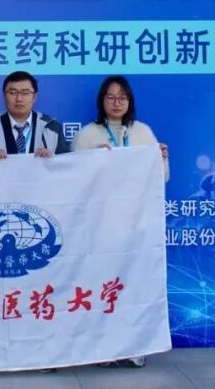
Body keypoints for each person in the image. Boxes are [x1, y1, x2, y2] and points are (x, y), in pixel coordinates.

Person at [72, 75, 169, 369]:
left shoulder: (143, 132)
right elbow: (73, 180)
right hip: (100, 228)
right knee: (102, 286)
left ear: (130, 101)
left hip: (137, 226)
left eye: (122, 97)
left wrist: (161, 159)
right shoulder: (87, 135)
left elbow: (161, 177)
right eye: (111, 97)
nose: (116, 103)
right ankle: (103, 349)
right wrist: (91, 160)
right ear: (101, 101)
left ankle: (135, 347)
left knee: (135, 285)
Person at [0, 70, 70, 159]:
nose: (19, 99)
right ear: (4, 96)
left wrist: (52, 159)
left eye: (25, 93)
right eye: (13, 93)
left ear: (34, 97)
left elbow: (66, 167)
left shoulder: (52, 128)